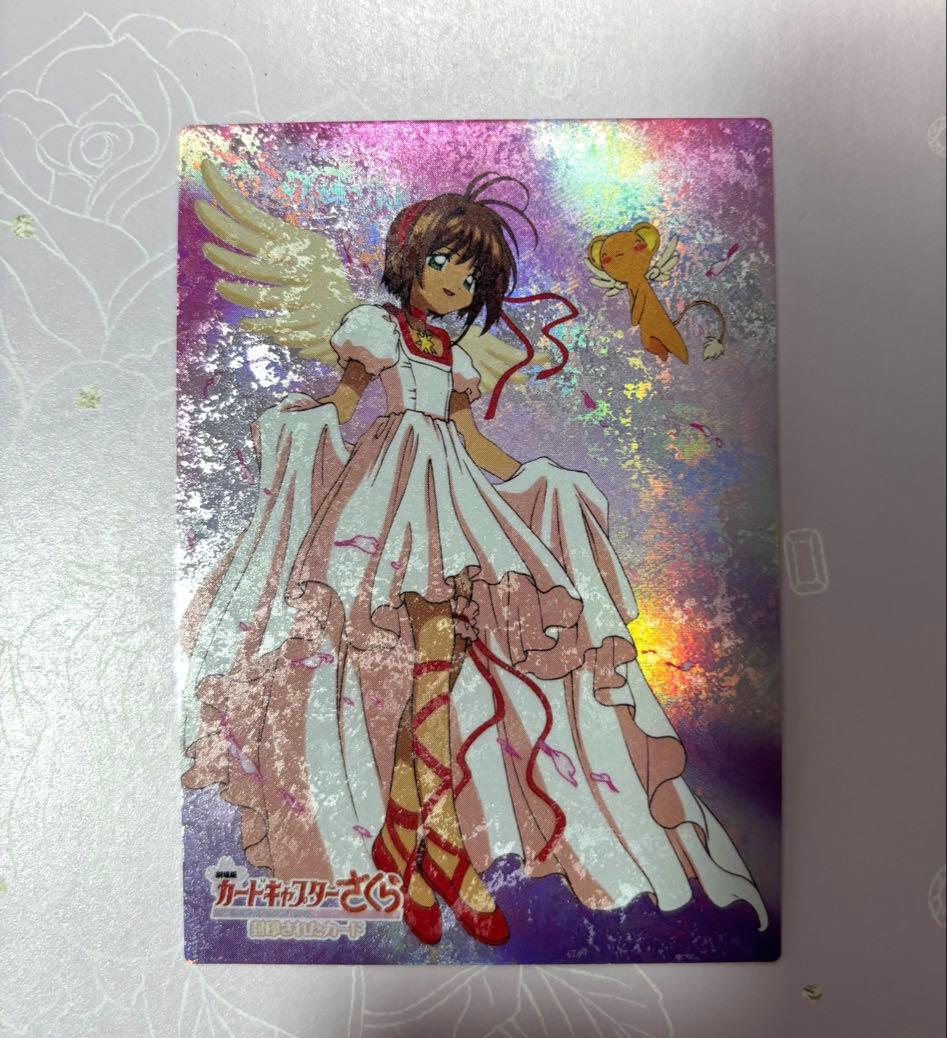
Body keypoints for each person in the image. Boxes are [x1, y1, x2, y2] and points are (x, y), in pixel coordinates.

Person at [181, 165, 769, 947]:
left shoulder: (453, 355)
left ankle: (412, 840)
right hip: (387, 499)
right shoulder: (376, 328)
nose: (454, 284)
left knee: (443, 669)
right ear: (411, 260)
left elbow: (472, 441)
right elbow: (347, 400)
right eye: (442, 264)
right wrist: (303, 427)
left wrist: (538, 479)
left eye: (468, 277)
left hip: (454, 497)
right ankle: (439, 851)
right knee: (421, 663)